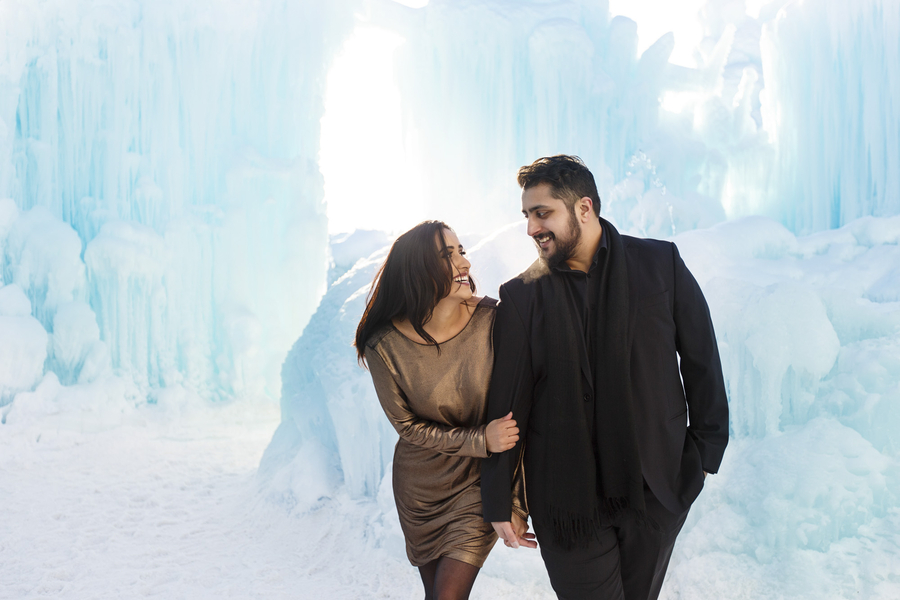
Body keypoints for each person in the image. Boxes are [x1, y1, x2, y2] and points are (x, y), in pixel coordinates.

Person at [481, 156, 729, 600]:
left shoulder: (660, 263)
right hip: (566, 502)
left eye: (543, 213)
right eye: (527, 216)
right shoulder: (520, 297)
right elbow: (508, 403)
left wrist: (705, 453)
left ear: (584, 207)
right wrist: (500, 497)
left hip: (655, 487)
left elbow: (701, 359)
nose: (532, 228)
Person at [356, 220, 534, 600]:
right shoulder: (383, 345)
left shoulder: (495, 320)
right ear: (416, 270)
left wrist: (515, 500)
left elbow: (518, 415)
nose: (464, 264)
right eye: (446, 256)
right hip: (421, 490)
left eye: (461, 252)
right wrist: (480, 437)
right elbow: (407, 426)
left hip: (476, 483)